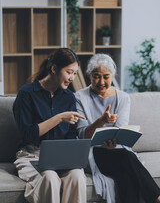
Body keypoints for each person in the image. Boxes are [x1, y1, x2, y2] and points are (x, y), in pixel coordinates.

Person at [75, 53, 160, 203]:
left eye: (106, 76)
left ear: (113, 76)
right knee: (127, 157)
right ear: (89, 76)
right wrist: (101, 121)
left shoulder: (123, 97)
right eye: (96, 76)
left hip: (116, 151)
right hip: (94, 153)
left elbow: (121, 128)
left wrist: (115, 141)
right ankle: (157, 196)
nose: (101, 81)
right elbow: (83, 135)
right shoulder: (79, 97)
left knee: (126, 176)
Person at [13, 48, 86, 203]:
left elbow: (71, 135)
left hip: (61, 156)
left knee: (78, 176)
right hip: (32, 155)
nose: (72, 77)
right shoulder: (27, 93)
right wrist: (59, 118)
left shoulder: (69, 98)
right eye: (69, 72)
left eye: (75, 73)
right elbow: (27, 134)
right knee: (50, 178)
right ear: (54, 69)